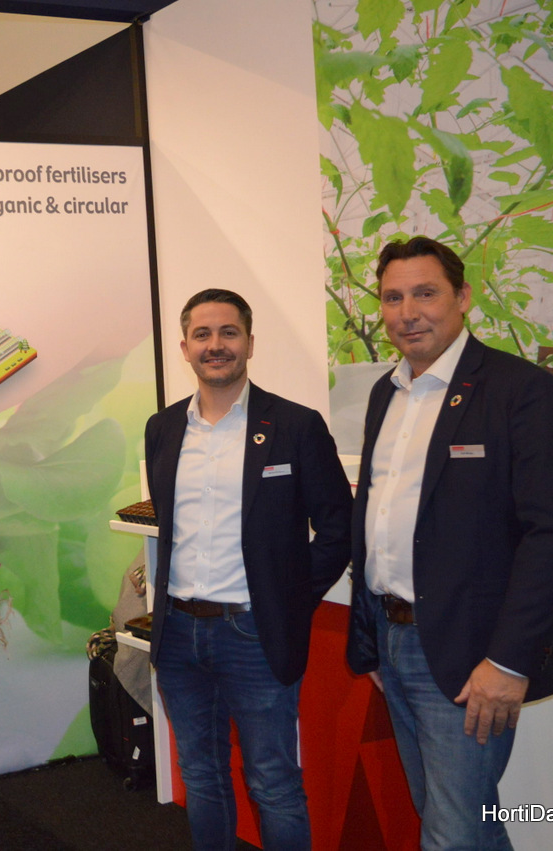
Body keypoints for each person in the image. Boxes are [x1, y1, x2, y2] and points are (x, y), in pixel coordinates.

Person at [346, 236, 553, 850]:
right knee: (454, 818)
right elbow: (377, 518)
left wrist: (508, 662)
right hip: (393, 639)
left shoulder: (519, 389)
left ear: (463, 298)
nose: (407, 313)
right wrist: (372, 640)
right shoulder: (385, 393)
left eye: (425, 293)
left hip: (470, 654)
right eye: (392, 298)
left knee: (452, 833)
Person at [144, 289, 352, 850]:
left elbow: (339, 527)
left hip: (255, 634)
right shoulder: (163, 428)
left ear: (250, 343)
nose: (216, 345)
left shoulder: (296, 426)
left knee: (273, 783)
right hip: (177, 633)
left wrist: (288, 597)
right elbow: (169, 522)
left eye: (228, 333)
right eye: (203, 335)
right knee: (201, 776)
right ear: (185, 347)